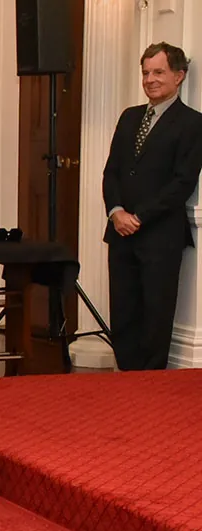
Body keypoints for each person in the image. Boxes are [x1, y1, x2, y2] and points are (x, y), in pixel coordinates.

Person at [103, 42, 202, 371]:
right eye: (145, 72)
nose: (150, 79)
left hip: (160, 236)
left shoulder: (192, 123)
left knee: (155, 315)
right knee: (123, 311)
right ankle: (126, 378)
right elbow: (112, 171)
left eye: (158, 72)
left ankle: (150, 388)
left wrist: (140, 217)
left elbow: (182, 183)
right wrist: (116, 211)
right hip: (120, 233)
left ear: (179, 76)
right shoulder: (129, 117)